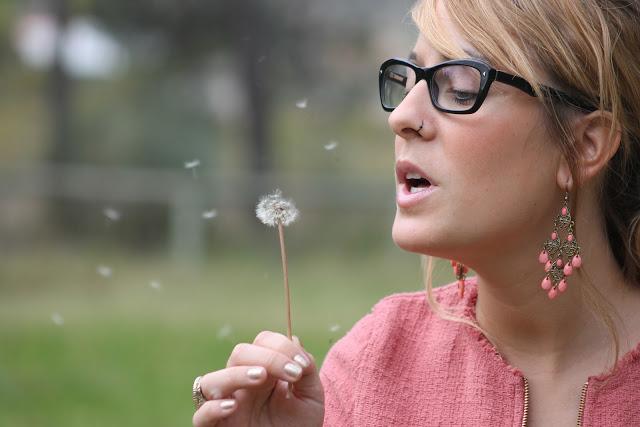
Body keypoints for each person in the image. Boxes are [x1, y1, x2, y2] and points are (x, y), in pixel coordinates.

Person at [192, 0, 640, 425]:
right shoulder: (371, 366)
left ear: (583, 147)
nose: (401, 116)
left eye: (460, 86)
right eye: (407, 81)